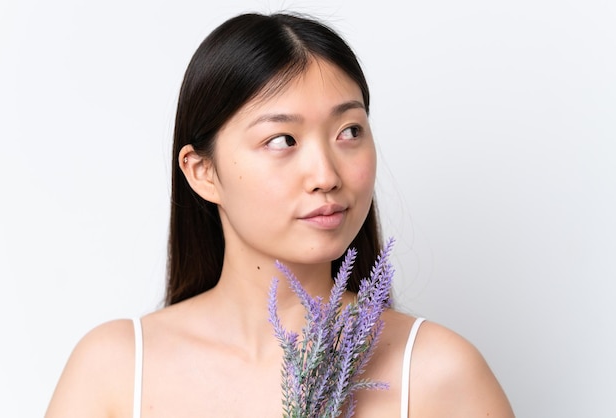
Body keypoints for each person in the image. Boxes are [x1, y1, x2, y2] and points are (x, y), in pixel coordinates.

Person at [45, 12, 514, 418]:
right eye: (283, 141)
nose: (326, 174)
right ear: (203, 171)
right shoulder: (115, 369)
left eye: (349, 131)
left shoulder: (437, 372)